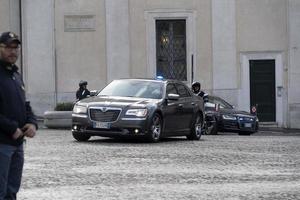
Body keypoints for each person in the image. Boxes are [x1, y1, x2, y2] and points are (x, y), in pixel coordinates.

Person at [0, 31, 38, 200]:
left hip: (17, 144)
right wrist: (11, 127)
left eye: (15, 47)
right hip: (2, 143)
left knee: (12, 191)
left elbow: (25, 105)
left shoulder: (16, 75)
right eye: (8, 47)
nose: (13, 51)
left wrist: (32, 123)